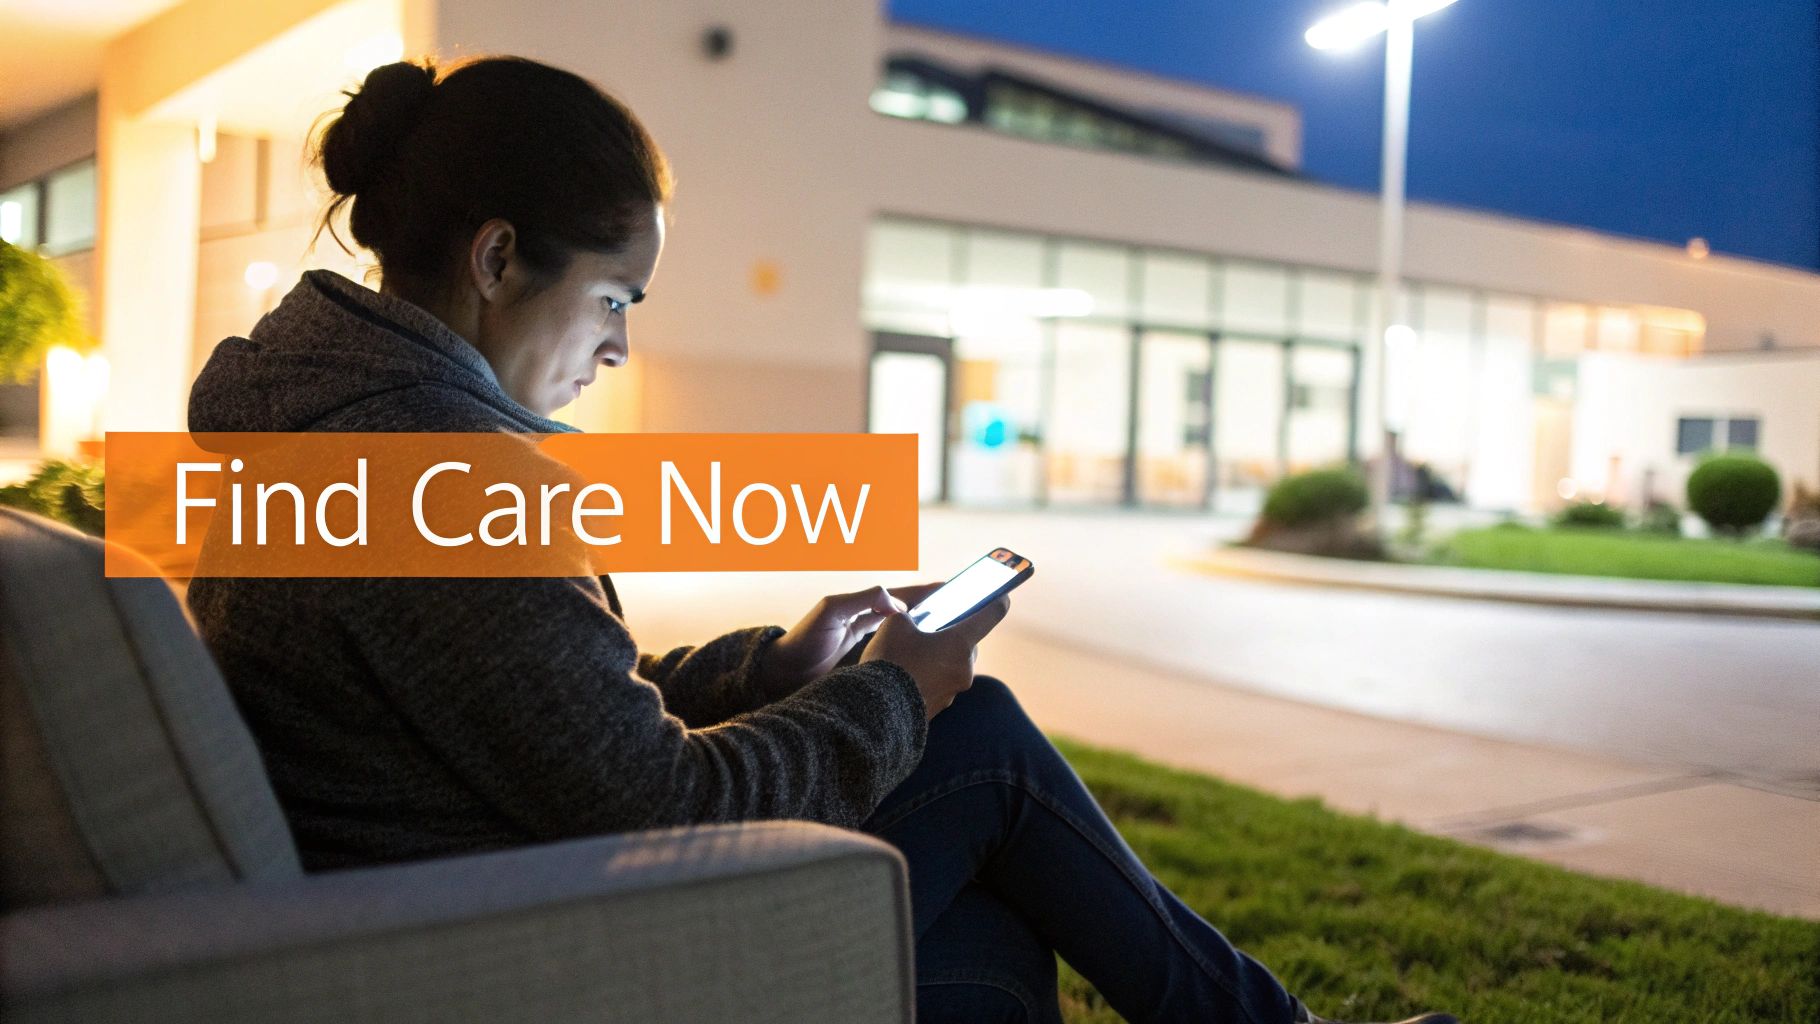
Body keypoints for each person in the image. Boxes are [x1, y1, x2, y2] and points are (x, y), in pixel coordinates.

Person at [184, 55, 1456, 1024]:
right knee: (980, 744)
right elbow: (661, 801)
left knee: (984, 959)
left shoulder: (312, 421)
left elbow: (519, 704)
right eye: (617, 296)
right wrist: (895, 694)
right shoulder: (439, 476)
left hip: (473, 881)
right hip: (526, 938)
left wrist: (772, 669)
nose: (621, 343)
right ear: (500, 258)